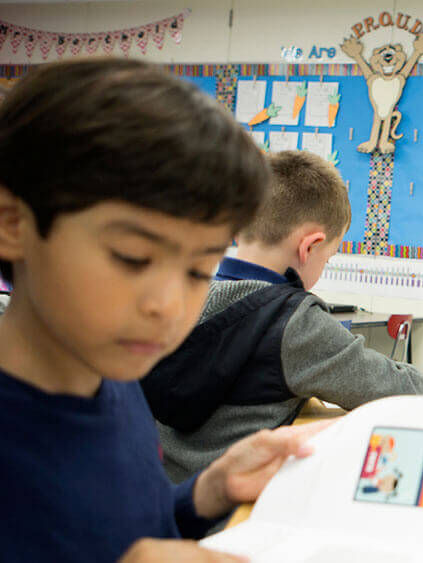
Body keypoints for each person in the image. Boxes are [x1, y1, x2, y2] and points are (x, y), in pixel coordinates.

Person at [0, 58, 335, 562]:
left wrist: (209, 491)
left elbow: (133, 527)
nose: (168, 306)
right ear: (12, 222)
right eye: (133, 258)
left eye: (200, 270)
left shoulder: (114, 376)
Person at [142, 150, 423, 484]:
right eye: (329, 257)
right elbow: (403, 388)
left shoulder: (182, 292)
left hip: (164, 494)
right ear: (309, 247)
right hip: (234, 508)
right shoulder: (297, 323)